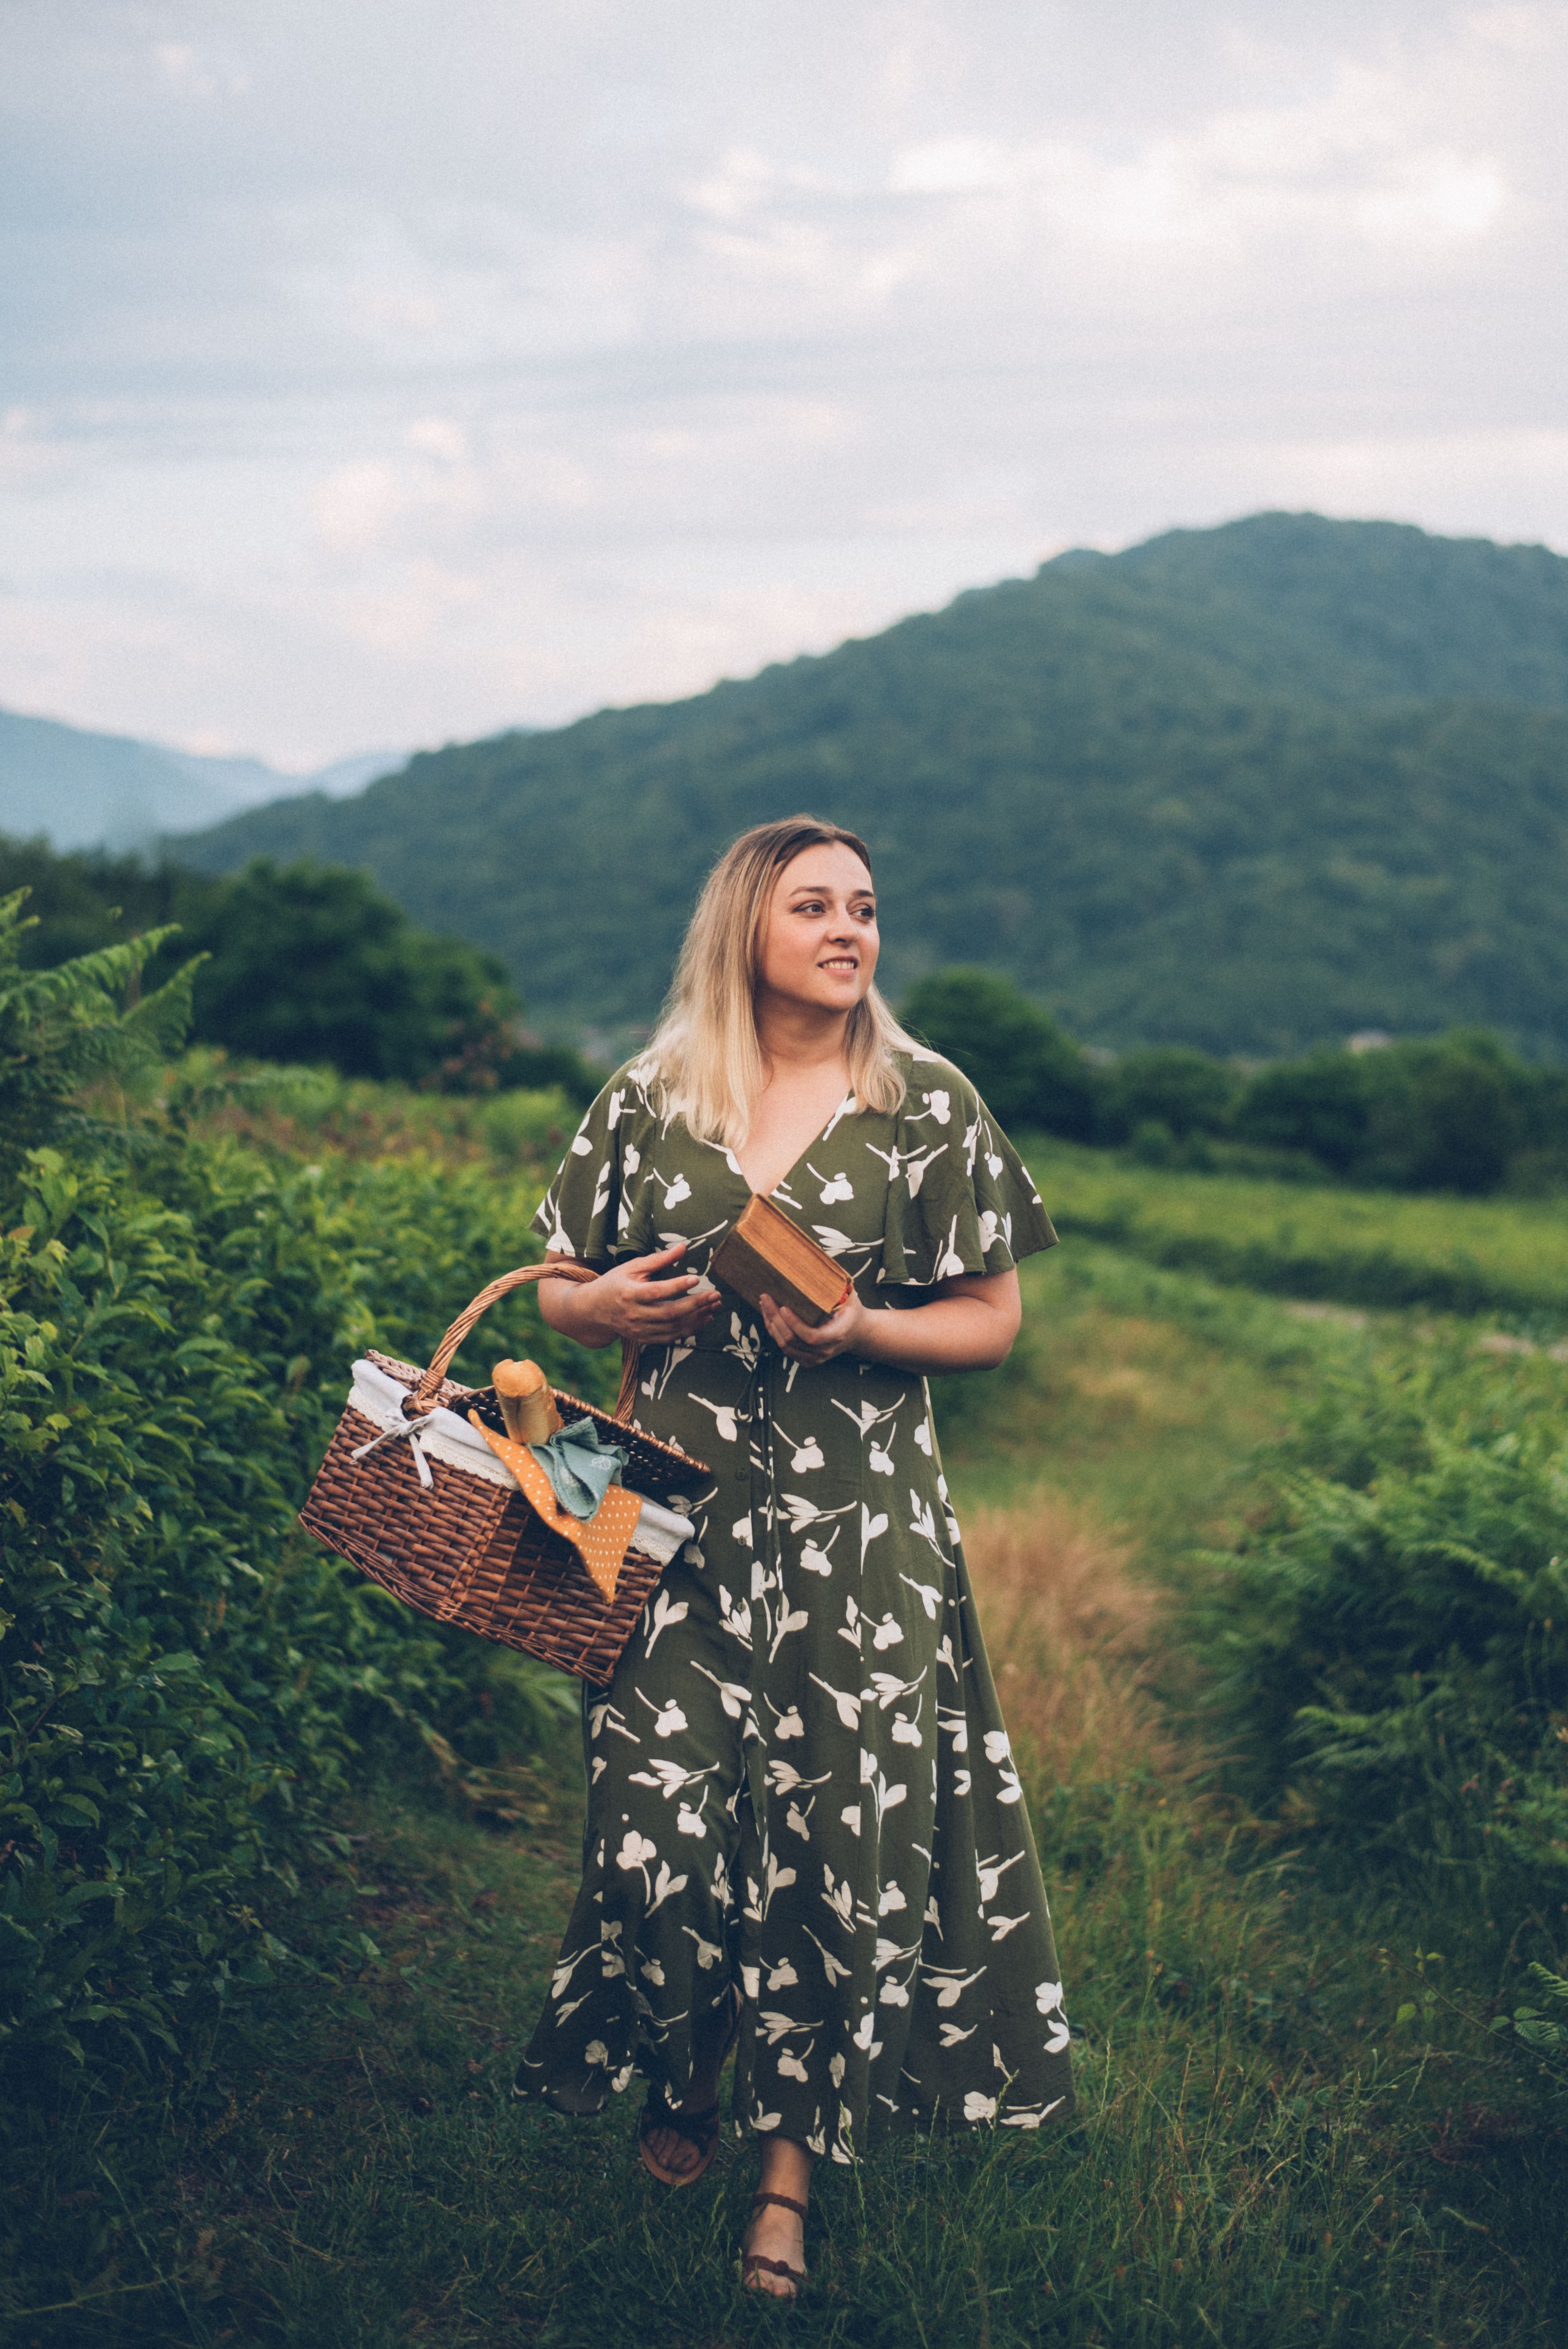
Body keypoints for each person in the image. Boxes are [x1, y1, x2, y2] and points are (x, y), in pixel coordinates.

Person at [514, 815, 1073, 2296]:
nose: (848, 930)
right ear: (745, 927)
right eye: (814, 905)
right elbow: (558, 1286)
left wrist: (864, 1327)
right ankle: (685, 2065)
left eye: (866, 908)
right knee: (654, 1817)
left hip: (860, 1525)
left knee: (838, 1845)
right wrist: (609, 1314)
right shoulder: (650, 1099)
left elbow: (994, 1321)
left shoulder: (925, 1104)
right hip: (669, 1516)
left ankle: (786, 2178)